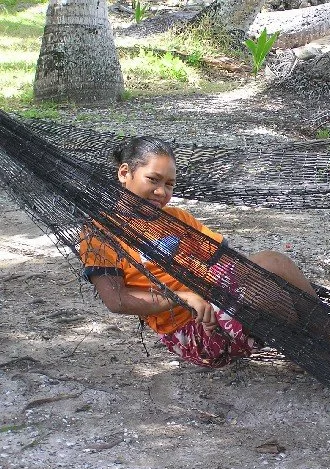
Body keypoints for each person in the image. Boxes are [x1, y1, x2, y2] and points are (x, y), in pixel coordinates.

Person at [79, 136, 317, 368]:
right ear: (124, 173)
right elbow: (117, 300)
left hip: (217, 299)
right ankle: (317, 347)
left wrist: (259, 279)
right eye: (153, 179)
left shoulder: (176, 219)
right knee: (268, 297)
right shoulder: (100, 232)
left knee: (273, 262)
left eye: (169, 184)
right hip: (192, 330)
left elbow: (228, 262)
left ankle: (327, 327)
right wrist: (182, 297)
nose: (161, 192)